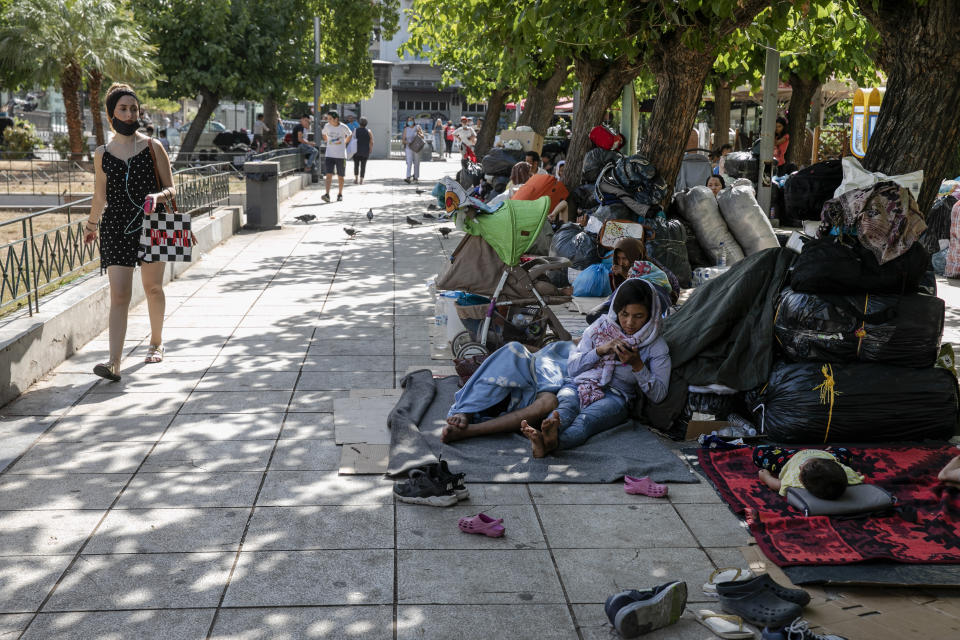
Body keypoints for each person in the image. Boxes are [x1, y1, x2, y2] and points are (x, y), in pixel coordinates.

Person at [82, 83, 175, 381]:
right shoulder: (102, 153)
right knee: (119, 294)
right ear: (111, 114)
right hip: (116, 226)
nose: (129, 113)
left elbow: (172, 189)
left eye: (133, 108)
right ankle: (113, 363)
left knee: (153, 288)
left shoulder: (152, 146)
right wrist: (91, 225)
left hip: (154, 222)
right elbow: (99, 196)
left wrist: (158, 197)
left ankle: (156, 342)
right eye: (123, 108)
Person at [521, 279, 671, 457]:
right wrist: (599, 351)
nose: (629, 322)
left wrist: (637, 365)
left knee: (586, 422)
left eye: (638, 316)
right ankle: (550, 436)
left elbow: (659, 394)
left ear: (651, 315)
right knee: (565, 409)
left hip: (616, 396)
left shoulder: (656, 346)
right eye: (624, 314)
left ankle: (549, 442)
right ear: (616, 310)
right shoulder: (599, 328)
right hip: (579, 385)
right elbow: (573, 369)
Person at [754, 446, 863, 499]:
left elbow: (777, 484)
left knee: (759, 453)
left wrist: (766, 477)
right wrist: (855, 475)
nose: (800, 466)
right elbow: (855, 475)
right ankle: (827, 451)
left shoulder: (793, 479)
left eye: (801, 469)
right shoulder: (843, 471)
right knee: (846, 453)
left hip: (792, 457)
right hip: (826, 455)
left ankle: (778, 449)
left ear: (803, 482)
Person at [321, 110, 351, 202]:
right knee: (328, 175)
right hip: (329, 154)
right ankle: (327, 194)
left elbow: (350, 134)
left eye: (330, 119)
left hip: (341, 156)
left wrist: (345, 142)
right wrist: (327, 141)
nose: (328, 120)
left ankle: (340, 194)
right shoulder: (327, 126)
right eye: (327, 118)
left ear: (336, 119)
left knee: (340, 176)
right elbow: (323, 134)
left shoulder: (343, 127)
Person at [402, 116, 424, 183]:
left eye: (411, 120)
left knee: (417, 163)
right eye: (408, 121)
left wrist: (419, 133)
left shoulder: (417, 127)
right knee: (409, 163)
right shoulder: (406, 129)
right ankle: (408, 177)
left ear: (414, 121)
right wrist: (408, 142)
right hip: (409, 147)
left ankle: (416, 177)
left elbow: (422, 136)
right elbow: (403, 140)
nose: (410, 122)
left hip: (416, 147)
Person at [352, 117, 373, 185]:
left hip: (356, 150)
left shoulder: (355, 130)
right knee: (363, 165)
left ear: (359, 123)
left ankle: (356, 179)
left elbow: (352, 140)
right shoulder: (369, 131)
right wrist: (370, 149)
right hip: (365, 150)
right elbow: (371, 141)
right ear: (366, 124)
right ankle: (361, 180)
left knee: (356, 165)